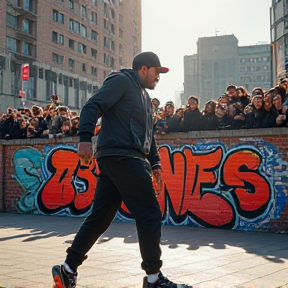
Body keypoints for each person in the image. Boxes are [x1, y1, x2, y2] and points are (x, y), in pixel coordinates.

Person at [51, 51, 192, 288]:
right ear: (144, 69)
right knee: (149, 213)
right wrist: (85, 137)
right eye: (157, 72)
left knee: (100, 218)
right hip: (123, 157)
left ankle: (67, 269)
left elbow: (149, 136)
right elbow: (92, 105)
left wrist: (155, 163)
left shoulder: (145, 98)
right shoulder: (122, 81)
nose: (158, 78)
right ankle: (154, 279)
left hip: (120, 159)